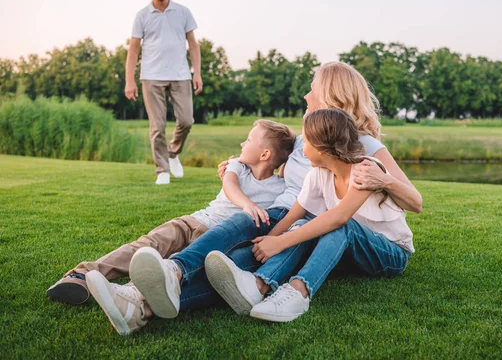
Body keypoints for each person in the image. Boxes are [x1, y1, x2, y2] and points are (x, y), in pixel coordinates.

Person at [86, 61, 422, 335]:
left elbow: (410, 202)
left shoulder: (366, 152)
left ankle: (266, 287)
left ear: (332, 95)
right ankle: (150, 295)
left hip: (343, 236)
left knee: (291, 237)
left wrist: (386, 179)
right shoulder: (311, 139)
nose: (306, 95)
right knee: (249, 234)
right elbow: (276, 160)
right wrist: (240, 167)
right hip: (307, 224)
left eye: (313, 89)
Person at [46, 120, 296, 310]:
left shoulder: (281, 188)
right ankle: (82, 274)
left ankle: (126, 297)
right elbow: (230, 187)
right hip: (195, 221)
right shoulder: (236, 166)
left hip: (214, 238)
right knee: (148, 245)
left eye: (249, 140)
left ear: (265, 155)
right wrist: (248, 205)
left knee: (172, 265)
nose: (243, 143)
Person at [206, 108, 414, 322]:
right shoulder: (317, 175)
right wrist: (265, 244)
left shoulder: (366, 169)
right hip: (351, 252)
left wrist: (280, 242)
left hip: (390, 252)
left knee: (337, 225)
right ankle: (258, 285)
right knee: (304, 225)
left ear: (322, 148)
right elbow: (293, 216)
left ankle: (299, 291)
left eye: (306, 143)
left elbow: (340, 217)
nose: (302, 150)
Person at [125, 0, 202, 185]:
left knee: (186, 120)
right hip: (151, 76)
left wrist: (197, 72)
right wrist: (129, 80)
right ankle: (162, 170)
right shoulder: (142, 15)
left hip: (180, 74)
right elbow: (133, 49)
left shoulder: (183, 11)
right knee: (157, 126)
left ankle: (173, 153)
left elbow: (193, 45)